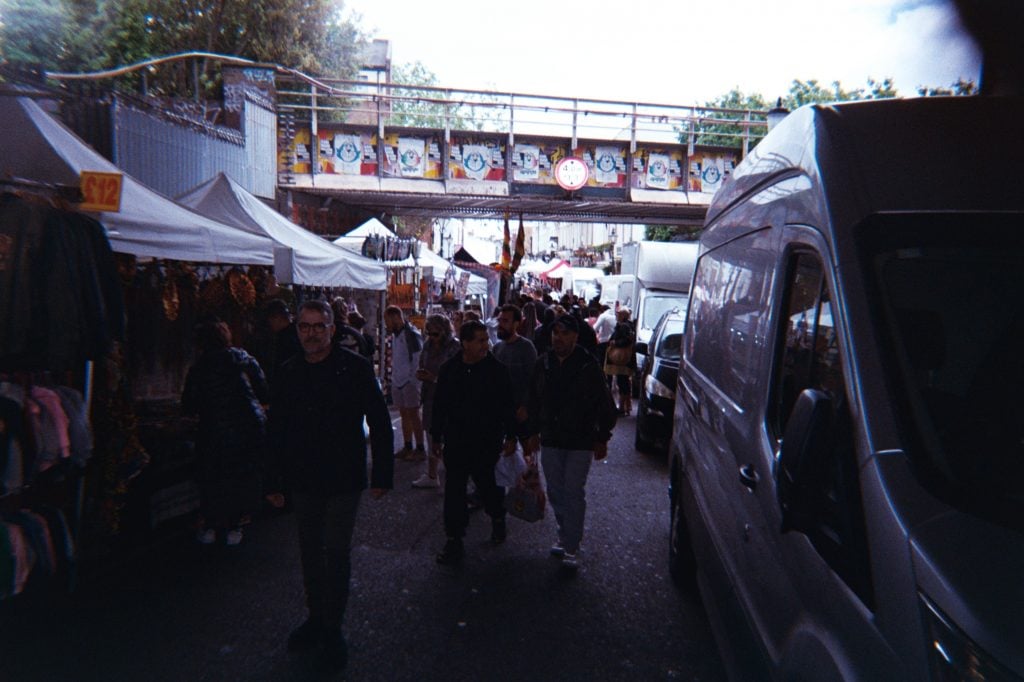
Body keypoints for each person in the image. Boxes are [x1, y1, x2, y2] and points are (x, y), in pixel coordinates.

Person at [267, 300, 393, 673]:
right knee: (309, 549)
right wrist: (273, 481)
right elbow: (276, 430)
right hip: (304, 477)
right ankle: (315, 617)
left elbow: (380, 421)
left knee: (334, 552)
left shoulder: (354, 369)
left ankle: (332, 627)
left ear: (331, 329)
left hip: (342, 478)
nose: (311, 333)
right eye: (304, 327)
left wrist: (382, 475)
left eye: (318, 326)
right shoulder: (289, 372)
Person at [524, 314, 617, 572]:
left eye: (565, 334)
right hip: (551, 438)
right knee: (555, 490)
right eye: (556, 333)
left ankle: (572, 545)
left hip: (579, 441)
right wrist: (531, 432)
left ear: (576, 337)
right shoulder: (543, 364)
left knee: (573, 491)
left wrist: (602, 438)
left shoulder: (588, 366)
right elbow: (533, 399)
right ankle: (565, 534)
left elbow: (604, 404)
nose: (559, 338)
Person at [431, 320, 518, 565]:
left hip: (487, 441)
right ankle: (454, 539)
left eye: (486, 339)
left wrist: (511, 436)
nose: (485, 344)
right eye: (479, 340)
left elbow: (507, 405)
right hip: (457, 440)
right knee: (454, 491)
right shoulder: (450, 369)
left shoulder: (496, 370)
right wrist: (436, 436)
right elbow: (440, 405)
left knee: (489, 486)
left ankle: (497, 517)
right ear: (465, 343)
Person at [181, 318, 269, 547]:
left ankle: (212, 525)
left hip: (214, 430)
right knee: (240, 477)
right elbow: (262, 387)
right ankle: (235, 526)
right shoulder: (242, 358)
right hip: (249, 426)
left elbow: (189, 404)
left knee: (213, 478)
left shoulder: (199, 367)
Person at [412, 314, 461, 489]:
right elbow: (421, 363)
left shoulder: (455, 348)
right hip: (430, 397)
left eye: (436, 334)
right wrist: (421, 373)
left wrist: (434, 378)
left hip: (450, 399)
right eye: (429, 334)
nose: (432, 338)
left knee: (449, 438)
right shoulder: (427, 345)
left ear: (445, 332)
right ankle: (432, 475)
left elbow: (458, 377)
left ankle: (454, 477)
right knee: (431, 435)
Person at [384, 305, 425, 462]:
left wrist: (412, 380)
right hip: (399, 380)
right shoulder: (396, 335)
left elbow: (416, 359)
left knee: (414, 415)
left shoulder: (411, 335)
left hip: (408, 381)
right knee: (404, 414)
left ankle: (420, 447)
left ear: (395, 317)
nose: (386, 324)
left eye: (387, 320)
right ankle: (408, 446)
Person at [492, 304, 537, 429]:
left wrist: (525, 406)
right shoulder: (497, 348)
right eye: (499, 320)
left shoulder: (526, 348)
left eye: (505, 321)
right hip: (501, 408)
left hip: (519, 410)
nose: (500, 325)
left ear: (516, 324)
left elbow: (533, 379)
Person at [604, 307, 636, 415]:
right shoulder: (629, 325)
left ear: (622, 315)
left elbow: (626, 340)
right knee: (624, 382)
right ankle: (626, 407)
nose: (616, 316)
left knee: (622, 382)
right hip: (627, 359)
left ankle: (622, 408)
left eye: (618, 314)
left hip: (621, 359)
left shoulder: (623, 326)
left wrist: (615, 343)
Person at [265, 299, 302, 387]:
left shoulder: (285, 339)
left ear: (277, 318)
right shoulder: (297, 332)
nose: (270, 324)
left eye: (270, 319)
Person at [593, 304, 618, 386]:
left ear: (601, 310)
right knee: (610, 365)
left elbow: (595, 328)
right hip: (613, 344)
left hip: (603, 343)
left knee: (601, 363)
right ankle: (610, 383)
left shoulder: (603, 316)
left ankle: (602, 383)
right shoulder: (615, 316)